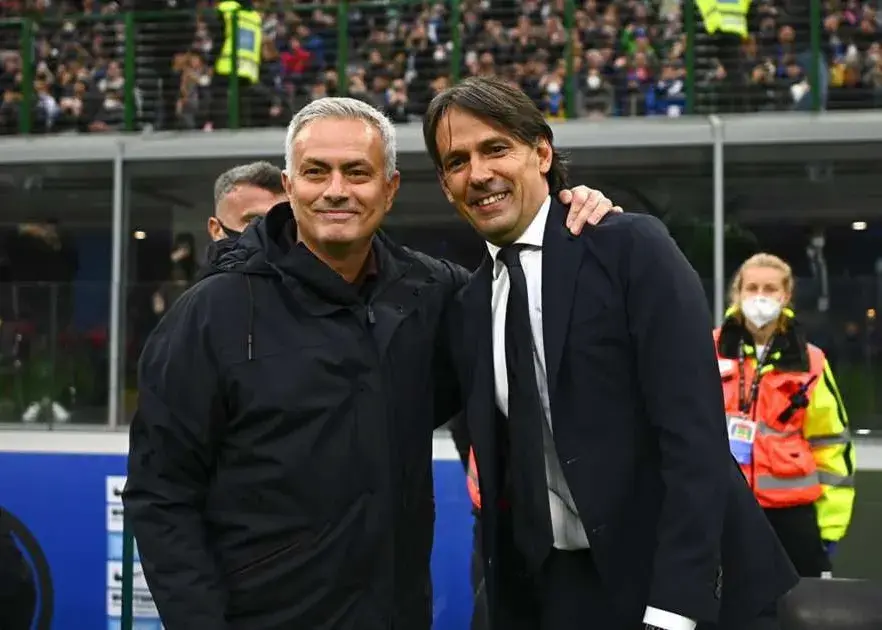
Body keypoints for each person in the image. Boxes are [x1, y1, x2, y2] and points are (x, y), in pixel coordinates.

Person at [123, 96, 620, 630]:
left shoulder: (436, 293)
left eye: (357, 172)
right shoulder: (209, 314)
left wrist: (568, 215)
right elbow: (161, 493)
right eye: (316, 172)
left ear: (390, 188)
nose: (336, 190)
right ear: (289, 186)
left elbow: (531, 313)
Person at [425, 76, 800, 630]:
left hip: (687, 590)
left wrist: (675, 607)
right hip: (564, 592)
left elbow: (694, 438)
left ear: (542, 153)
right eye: (457, 161)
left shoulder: (630, 247)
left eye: (496, 148)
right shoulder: (469, 304)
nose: (478, 173)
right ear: (444, 184)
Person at [715, 253, 855, 577]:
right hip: (722, 508)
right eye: (752, 288)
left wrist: (830, 527)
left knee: (799, 603)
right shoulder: (708, 349)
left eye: (770, 288)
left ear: (786, 295)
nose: (760, 297)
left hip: (791, 516)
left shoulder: (810, 360)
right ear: (737, 293)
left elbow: (831, 444)